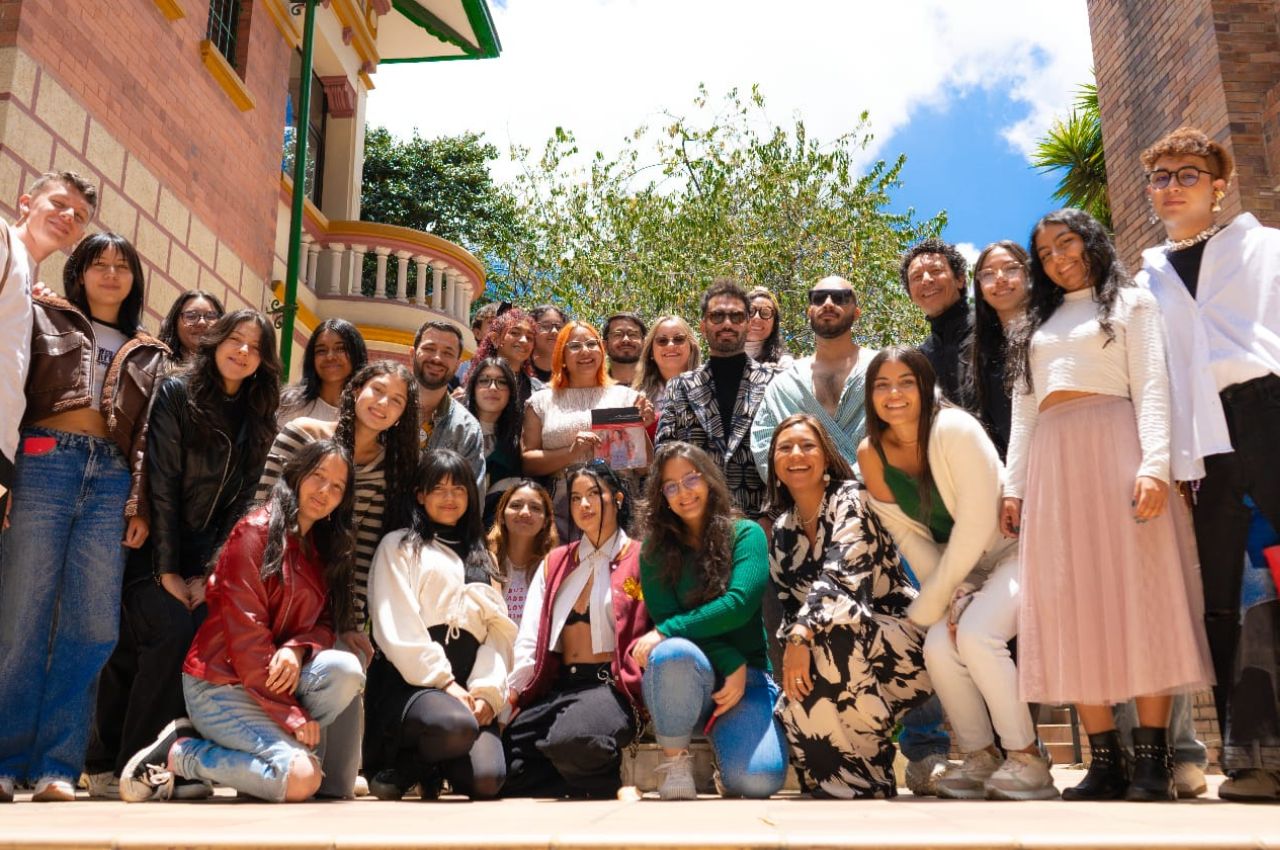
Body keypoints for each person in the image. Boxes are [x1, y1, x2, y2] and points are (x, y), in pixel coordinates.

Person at [966, 240, 1208, 797]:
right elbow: (1025, 408)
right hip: (1054, 459)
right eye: (1047, 249)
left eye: (1067, 243)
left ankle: (1153, 762)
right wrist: (1015, 486)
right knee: (1071, 604)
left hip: (1117, 445)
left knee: (1141, 597)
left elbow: (1151, 385)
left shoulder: (1130, 302)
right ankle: (1106, 763)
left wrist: (1154, 464)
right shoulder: (1036, 323)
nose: (1058, 256)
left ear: (1092, 243)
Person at [84, 309, 281, 801]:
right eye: (235, 340)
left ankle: (176, 758)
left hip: (206, 559)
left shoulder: (259, 412)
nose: (242, 352)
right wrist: (169, 569)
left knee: (207, 633)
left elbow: (243, 502)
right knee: (169, 628)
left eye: (255, 347)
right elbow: (164, 483)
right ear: (215, 341)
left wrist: (210, 572)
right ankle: (128, 762)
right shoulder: (177, 391)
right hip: (153, 549)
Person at [1137, 126, 1280, 801]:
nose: (1171, 187)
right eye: (1160, 177)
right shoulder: (1147, 278)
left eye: (1187, 174)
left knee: (1275, 577)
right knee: (1226, 598)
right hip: (1204, 450)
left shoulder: (1266, 246)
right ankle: (1252, 756)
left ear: (1218, 185)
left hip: (1270, 415)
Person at [0, 230, 164, 804]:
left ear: (135, 280)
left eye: (123, 266)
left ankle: (56, 767)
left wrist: (138, 502)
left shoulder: (151, 350)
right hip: (44, 461)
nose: (111, 274)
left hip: (112, 479)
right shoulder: (45, 315)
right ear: (81, 271)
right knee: (22, 616)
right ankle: (5, 759)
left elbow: (147, 438)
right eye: (100, 264)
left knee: (92, 626)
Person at [119, 441, 365, 803]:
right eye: (318, 476)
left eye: (338, 487)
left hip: (272, 683)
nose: (325, 491)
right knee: (302, 780)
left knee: (345, 668)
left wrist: (298, 649)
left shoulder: (321, 547)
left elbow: (326, 622)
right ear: (297, 475)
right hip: (221, 685)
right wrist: (292, 715)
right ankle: (183, 754)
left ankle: (266, 759)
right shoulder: (255, 531)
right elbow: (246, 637)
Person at [858, 350, 1054, 800]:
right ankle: (980, 756)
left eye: (906, 382)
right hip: (962, 570)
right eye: (882, 385)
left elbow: (975, 525)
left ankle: (1027, 757)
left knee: (977, 634)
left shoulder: (956, 430)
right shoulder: (871, 453)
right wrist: (952, 594)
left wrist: (937, 600)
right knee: (938, 646)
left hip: (1018, 551)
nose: (894, 394)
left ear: (926, 386)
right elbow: (908, 537)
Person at [765, 414, 931, 798]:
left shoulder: (852, 500)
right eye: (784, 448)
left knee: (833, 634)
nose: (796, 454)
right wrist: (797, 649)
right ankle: (856, 779)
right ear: (773, 464)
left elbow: (843, 582)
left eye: (807, 445)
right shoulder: (784, 531)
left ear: (826, 456)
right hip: (835, 651)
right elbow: (791, 611)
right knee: (797, 689)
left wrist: (801, 635)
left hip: (904, 646)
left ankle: (864, 771)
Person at [631, 442, 788, 800]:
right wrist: (727, 659)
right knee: (671, 654)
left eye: (691, 479)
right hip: (691, 674)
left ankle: (726, 758)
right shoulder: (654, 549)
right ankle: (676, 760)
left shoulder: (745, 535)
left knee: (759, 782)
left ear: (710, 480)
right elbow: (668, 620)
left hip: (747, 679)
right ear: (661, 496)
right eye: (671, 486)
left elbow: (738, 605)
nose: (683, 492)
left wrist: (667, 631)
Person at [363, 449, 514, 801]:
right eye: (439, 489)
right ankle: (403, 766)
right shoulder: (399, 546)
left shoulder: (483, 556)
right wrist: (445, 683)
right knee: (454, 725)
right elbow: (396, 623)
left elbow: (498, 633)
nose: (450, 498)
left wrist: (487, 695)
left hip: (467, 688)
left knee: (488, 779)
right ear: (420, 494)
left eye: (459, 489)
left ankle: (432, 765)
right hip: (411, 685)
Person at [503, 461, 649, 798]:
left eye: (594, 494)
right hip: (560, 687)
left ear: (618, 499)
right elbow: (529, 637)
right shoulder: (555, 562)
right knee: (501, 768)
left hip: (610, 687)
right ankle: (575, 768)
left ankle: (608, 777)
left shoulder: (641, 558)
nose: (584, 505)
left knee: (572, 739)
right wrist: (513, 693)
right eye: (576, 498)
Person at [0, 171, 97, 535]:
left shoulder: (28, 282)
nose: (68, 216)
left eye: (79, 216)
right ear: (25, 203)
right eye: (58, 203)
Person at [656, 279, 779, 519]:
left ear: (746, 323)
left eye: (736, 316)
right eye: (717, 316)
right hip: (696, 525)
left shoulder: (775, 382)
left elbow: (786, 454)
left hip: (761, 527)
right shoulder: (680, 387)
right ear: (703, 326)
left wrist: (771, 518)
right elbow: (665, 456)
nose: (727, 324)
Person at [522, 322, 652, 538]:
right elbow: (527, 462)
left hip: (620, 507)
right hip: (563, 508)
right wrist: (570, 453)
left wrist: (639, 428)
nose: (585, 351)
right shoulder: (540, 401)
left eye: (591, 344)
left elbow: (645, 467)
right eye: (574, 346)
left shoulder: (626, 397)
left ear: (601, 351)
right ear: (561, 356)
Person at [750, 275, 874, 479]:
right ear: (809, 311)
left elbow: (906, 437)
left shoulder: (882, 371)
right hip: (806, 506)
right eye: (818, 298)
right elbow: (765, 448)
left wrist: (852, 489)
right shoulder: (784, 385)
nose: (828, 303)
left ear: (857, 313)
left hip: (880, 503)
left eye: (840, 298)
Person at [960, 242, 1030, 459]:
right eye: (988, 274)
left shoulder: (1052, 331)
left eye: (1011, 269)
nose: (1000, 278)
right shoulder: (980, 353)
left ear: (1029, 274)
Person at [413, 319, 485, 486]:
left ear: (457, 365)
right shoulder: (384, 409)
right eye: (429, 349)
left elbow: (472, 498)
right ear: (412, 353)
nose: (437, 358)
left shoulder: (467, 428)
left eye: (448, 353)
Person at [900, 238, 971, 406]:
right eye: (916, 277)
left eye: (935, 270)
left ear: (960, 279)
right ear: (910, 295)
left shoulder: (994, 329)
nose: (926, 280)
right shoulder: (919, 360)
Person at [485, 480, 558, 624]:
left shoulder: (555, 571)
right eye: (516, 505)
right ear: (502, 516)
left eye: (535, 508)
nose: (525, 513)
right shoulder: (483, 564)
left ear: (546, 522)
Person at [465, 357, 524, 524]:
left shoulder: (515, 443)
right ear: (473, 388)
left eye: (502, 382)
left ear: (511, 392)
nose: (492, 388)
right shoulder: (454, 430)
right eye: (484, 381)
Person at [278, 319, 368, 426]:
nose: (330, 357)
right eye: (321, 350)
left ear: (356, 355)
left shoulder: (366, 413)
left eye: (340, 349)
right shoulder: (289, 404)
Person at [631, 315, 701, 438]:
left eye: (679, 339)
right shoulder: (634, 399)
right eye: (662, 341)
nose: (670, 345)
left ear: (692, 347)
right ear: (651, 352)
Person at [470, 307, 543, 408]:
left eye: (529, 337)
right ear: (495, 339)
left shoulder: (538, 390)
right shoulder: (474, 383)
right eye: (514, 333)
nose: (524, 340)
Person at [155, 289, 225, 370]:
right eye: (191, 316)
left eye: (210, 316)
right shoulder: (155, 365)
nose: (202, 323)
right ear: (175, 323)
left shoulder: (230, 374)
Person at [745, 286, 792, 367]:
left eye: (765, 313)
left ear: (774, 325)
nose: (757, 317)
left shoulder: (784, 364)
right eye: (751, 311)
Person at [603, 312, 646, 387]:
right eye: (618, 334)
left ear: (644, 343)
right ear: (605, 345)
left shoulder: (664, 386)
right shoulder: (593, 390)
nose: (626, 340)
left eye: (632, 334)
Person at [529, 304, 568, 384]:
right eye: (545, 326)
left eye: (559, 327)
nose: (554, 331)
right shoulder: (517, 371)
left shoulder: (572, 374)